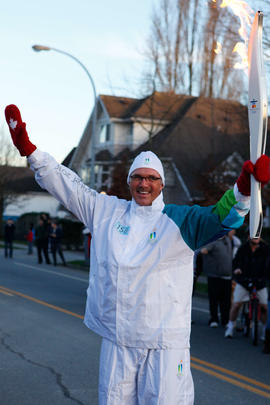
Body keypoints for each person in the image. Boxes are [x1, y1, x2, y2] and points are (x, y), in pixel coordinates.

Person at [4, 104, 270, 405]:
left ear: (161, 184)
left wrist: (243, 190)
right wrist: (31, 152)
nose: (144, 183)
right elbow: (69, 187)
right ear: (130, 180)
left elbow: (221, 217)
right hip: (119, 342)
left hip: (165, 345)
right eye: (138, 177)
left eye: (152, 178)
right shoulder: (107, 212)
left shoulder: (181, 220)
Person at [225, 237, 270, 339]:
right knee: (236, 305)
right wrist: (236, 270)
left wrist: (265, 277)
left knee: (264, 307)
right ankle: (230, 326)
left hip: (260, 283)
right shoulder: (243, 248)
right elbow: (235, 262)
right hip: (244, 281)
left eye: (257, 236)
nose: (256, 238)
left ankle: (264, 330)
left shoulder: (266, 249)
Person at [201, 234, 233, 327]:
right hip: (214, 276)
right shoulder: (212, 240)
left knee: (226, 300)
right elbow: (203, 250)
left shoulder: (228, 240)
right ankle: (213, 319)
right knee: (214, 299)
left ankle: (225, 320)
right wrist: (205, 250)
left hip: (227, 276)